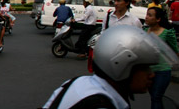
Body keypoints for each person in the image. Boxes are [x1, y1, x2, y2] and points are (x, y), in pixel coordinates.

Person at [42, 25, 179, 109]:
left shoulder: (78, 82)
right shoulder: (99, 105)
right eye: (144, 68)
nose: (151, 74)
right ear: (121, 66)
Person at [144, 7, 179, 109]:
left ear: (158, 19)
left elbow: (175, 51)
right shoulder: (144, 31)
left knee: (156, 97)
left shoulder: (167, 33)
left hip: (163, 71)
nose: (146, 17)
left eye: (150, 15)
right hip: (149, 72)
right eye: (147, 14)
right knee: (154, 97)